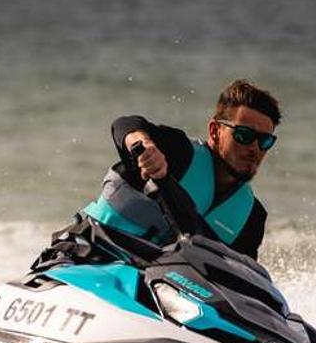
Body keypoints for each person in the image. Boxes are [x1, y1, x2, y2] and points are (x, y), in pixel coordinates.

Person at [34, 79, 283, 269]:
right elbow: (126, 124)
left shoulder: (251, 217)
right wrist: (144, 146)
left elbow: (237, 280)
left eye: (265, 141)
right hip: (85, 256)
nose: (254, 148)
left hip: (149, 295)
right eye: (244, 136)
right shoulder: (177, 152)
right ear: (215, 131)